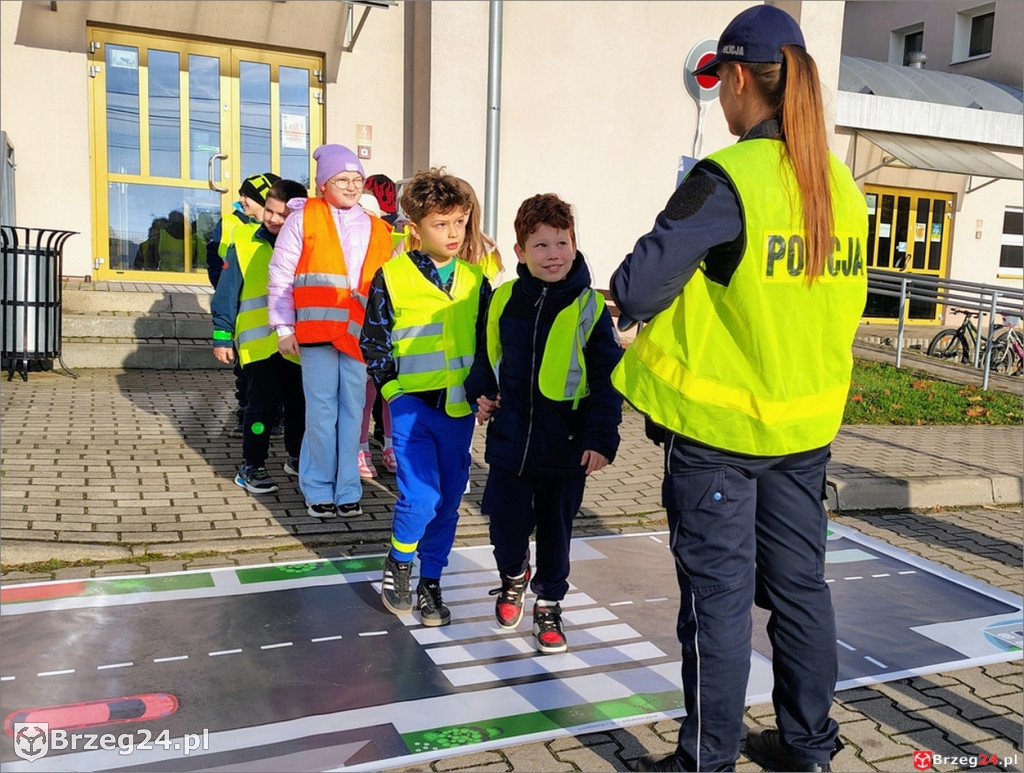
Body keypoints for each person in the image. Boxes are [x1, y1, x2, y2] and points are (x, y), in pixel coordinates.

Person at [609, 7, 868, 772]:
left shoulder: (732, 178)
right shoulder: (840, 184)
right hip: (804, 434)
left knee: (718, 606)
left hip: (721, 438)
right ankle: (808, 747)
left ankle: (707, 759)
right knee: (799, 592)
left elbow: (638, 283)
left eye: (721, 79)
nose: (718, 96)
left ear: (745, 80)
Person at [465, 193, 623, 654]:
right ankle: (514, 576)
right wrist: (484, 391)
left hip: (566, 447)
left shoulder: (590, 308)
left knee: (556, 532)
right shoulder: (502, 299)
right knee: (505, 526)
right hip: (510, 442)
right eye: (541, 245)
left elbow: (606, 381)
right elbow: (485, 356)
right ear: (519, 252)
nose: (553, 254)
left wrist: (601, 438)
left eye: (562, 243)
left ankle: (549, 602)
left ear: (575, 244)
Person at [360, 167, 492, 627]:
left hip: (458, 413)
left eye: (459, 221)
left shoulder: (478, 280)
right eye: (441, 224)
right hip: (412, 409)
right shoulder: (391, 276)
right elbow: (373, 341)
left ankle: (431, 581)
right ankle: (399, 561)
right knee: (420, 498)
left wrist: (487, 394)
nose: (453, 233)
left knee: (450, 501)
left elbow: (486, 345)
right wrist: (394, 394)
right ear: (415, 229)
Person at [268, 144, 393, 519]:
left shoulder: (377, 226)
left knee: (352, 411)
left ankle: (348, 487)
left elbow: (388, 284)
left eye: (357, 179)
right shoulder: (302, 219)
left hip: (357, 335)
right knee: (322, 412)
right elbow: (281, 276)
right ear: (323, 185)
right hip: (316, 332)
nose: (352, 186)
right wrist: (283, 327)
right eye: (343, 179)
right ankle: (319, 486)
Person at [212, 179, 309, 494]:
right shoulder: (243, 239)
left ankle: (296, 457)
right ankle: (251, 465)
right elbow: (227, 291)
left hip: (296, 343)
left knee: (299, 406)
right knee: (261, 410)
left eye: (283, 214)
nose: (274, 219)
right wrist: (222, 335)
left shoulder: (309, 243)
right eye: (269, 210)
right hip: (258, 343)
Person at [207, 172, 282, 438]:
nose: (241, 200)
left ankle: (278, 426)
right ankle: (253, 438)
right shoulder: (241, 234)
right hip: (252, 331)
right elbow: (224, 281)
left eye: (247, 195)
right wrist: (222, 333)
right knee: (251, 388)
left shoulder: (297, 237)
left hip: (286, 339)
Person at [354, 191, 397, 478]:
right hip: (355, 331)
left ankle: (390, 446)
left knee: (389, 393)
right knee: (364, 395)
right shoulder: (348, 246)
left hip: (387, 331)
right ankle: (360, 448)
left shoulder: (390, 246)